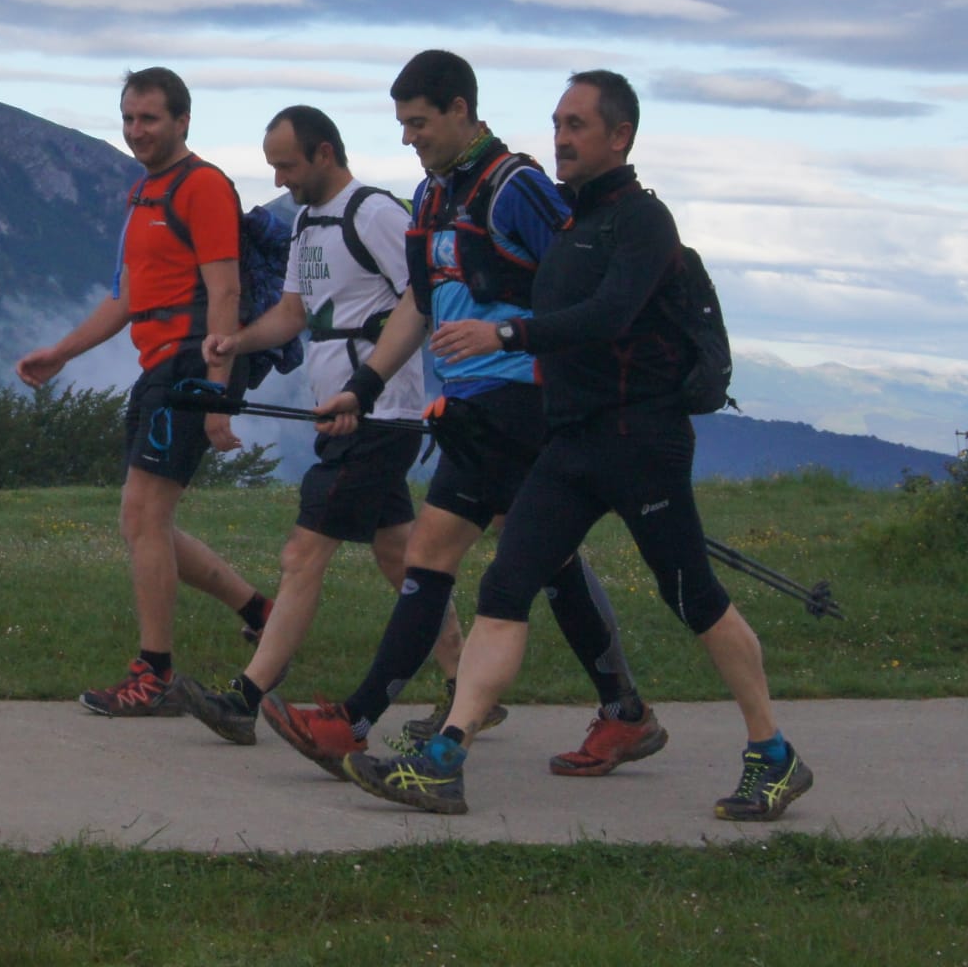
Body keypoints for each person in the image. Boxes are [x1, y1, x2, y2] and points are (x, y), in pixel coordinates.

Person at [343, 71, 813, 821]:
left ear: (619, 137)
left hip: (642, 443)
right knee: (504, 586)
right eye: (557, 123)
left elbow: (608, 314)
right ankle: (445, 760)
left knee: (693, 597)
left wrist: (504, 333)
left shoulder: (642, 222)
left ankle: (774, 754)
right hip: (571, 442)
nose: (561, 138)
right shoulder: (568, 225)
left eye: (578, 126)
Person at [269, 50, 657, 780]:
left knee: (436, 555)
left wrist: (562, 381)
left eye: (419, 123)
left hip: (523, 400)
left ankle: (353, 723)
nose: (410, 138)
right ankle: (625, 711)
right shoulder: (432, 197)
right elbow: (419, 302)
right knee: (538, 555)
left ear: (459, 109)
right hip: (474, 407)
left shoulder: (518, 189)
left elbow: (584, 286)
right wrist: (365, 383)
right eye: (403, 125)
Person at [173, 105, 464, 744]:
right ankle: (467, 688)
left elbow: (421, 298)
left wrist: (369, 387)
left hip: (378, 416)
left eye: (288, 165)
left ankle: (245, 699)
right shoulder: (307, 222)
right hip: (340, 414)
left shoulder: (377, 215)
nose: (279, 180)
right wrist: (236, 343)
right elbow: (293, 315)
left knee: (302, 554)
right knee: (401, 557)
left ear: (325, 154)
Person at [16, 67, 272, 716]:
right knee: (145, 521)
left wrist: (216, 393)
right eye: (128, 118)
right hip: (163, 364)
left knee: (143, 517)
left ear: (183, 121)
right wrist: (62, 352)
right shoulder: (144, 196)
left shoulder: (204, 186)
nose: (136, 131)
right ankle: (260, 610)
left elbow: (225, 292)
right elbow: (128, 298)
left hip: (193, 363)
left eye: (149, 118)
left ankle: (154, 673)